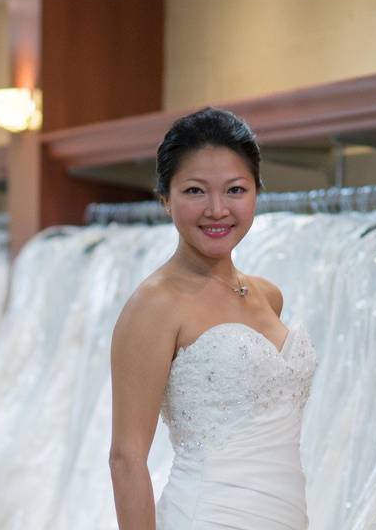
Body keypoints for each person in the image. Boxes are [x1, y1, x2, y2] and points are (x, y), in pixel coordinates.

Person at [109, 107, 317, 529]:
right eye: (195, 191)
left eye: (235, 190)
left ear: (256, 192)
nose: (217, 209)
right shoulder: (154, 304)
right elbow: (126, 458)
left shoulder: (268, 296)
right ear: (166, 197)